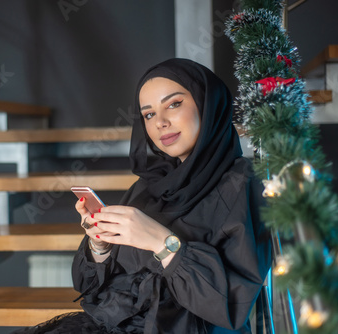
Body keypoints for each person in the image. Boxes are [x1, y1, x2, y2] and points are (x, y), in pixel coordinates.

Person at [17, 58, 272, 333]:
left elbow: (231, 305)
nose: (160, 122)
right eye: (148, 114)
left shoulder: (243, 184)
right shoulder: (151, 184)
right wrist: (100, 245)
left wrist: (162, 241)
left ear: (207, 104)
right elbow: (89, 288)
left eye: (174, 104)